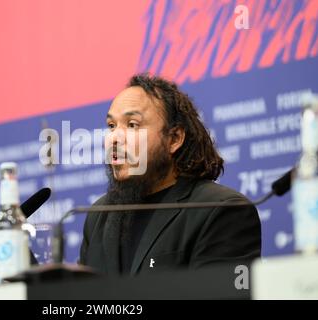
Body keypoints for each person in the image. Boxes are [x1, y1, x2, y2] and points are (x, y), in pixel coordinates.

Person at [79, 74, 261, 275]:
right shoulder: (99, 216)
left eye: (132, 125)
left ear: (174, 138)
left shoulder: (220, 210)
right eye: (111, 126)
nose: (114, 138)